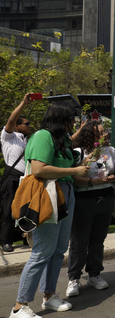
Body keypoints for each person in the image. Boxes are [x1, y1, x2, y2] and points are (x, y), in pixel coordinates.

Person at [9, 102, 90, 318]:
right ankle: (19, 306)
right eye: (70, 120)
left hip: (65, 193)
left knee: (58, 250)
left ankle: (49, 296)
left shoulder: (60, 138)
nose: (72, 123)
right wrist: (73, 169)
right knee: (42, 252)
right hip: (49, 194)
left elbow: (65, 155)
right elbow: (38, 168)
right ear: (60, 119)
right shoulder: (42, 136)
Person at [66, 121, 115, 297]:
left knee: (98, 240)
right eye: (99, 132)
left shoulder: (111, 150)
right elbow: (72, 177)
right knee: (79, 242)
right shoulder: (78, 153)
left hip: (105, 198)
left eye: (103, 131)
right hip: (84, 200)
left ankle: (94, 274)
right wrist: (93, 181)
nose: (104, 134)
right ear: (88, 134)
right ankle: (74, 277)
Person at [1, 93, 33, 253]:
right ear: (18, 126)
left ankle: (25, 237)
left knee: (25, 209)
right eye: (26, 123)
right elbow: (11, 120)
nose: (30, 126)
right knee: (8, 210)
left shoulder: (26, 140)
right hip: (11, 177)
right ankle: (6, 241)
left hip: (25, 178)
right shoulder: (8, 137)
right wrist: (23, 103)